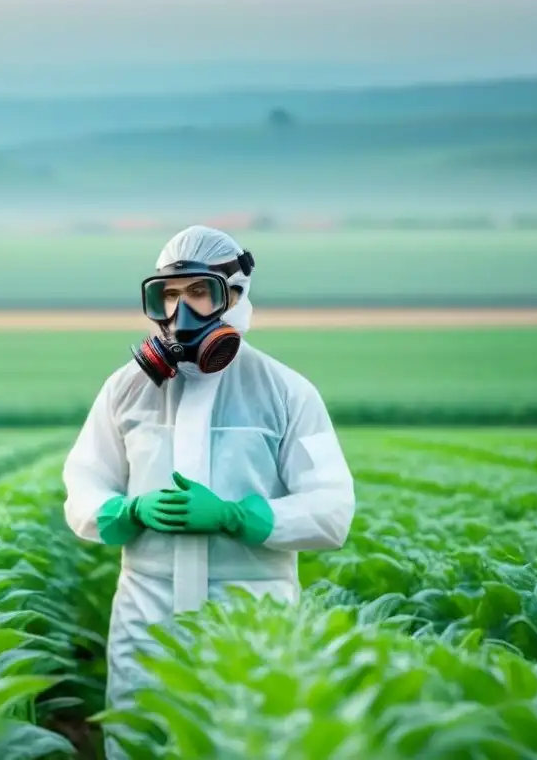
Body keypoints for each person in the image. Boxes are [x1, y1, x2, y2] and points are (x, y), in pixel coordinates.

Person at [61, 225, 356, 759]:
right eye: (168, 296)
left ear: (236, 297)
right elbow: (83, 480)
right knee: (138, 739)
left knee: (250, 742)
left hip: (251, 613)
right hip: (147, 611)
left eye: (199, 293)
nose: (181, 313)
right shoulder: (127, 387)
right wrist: (124, 511)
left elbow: (331, 509)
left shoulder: (285, 391)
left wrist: (238, 516)